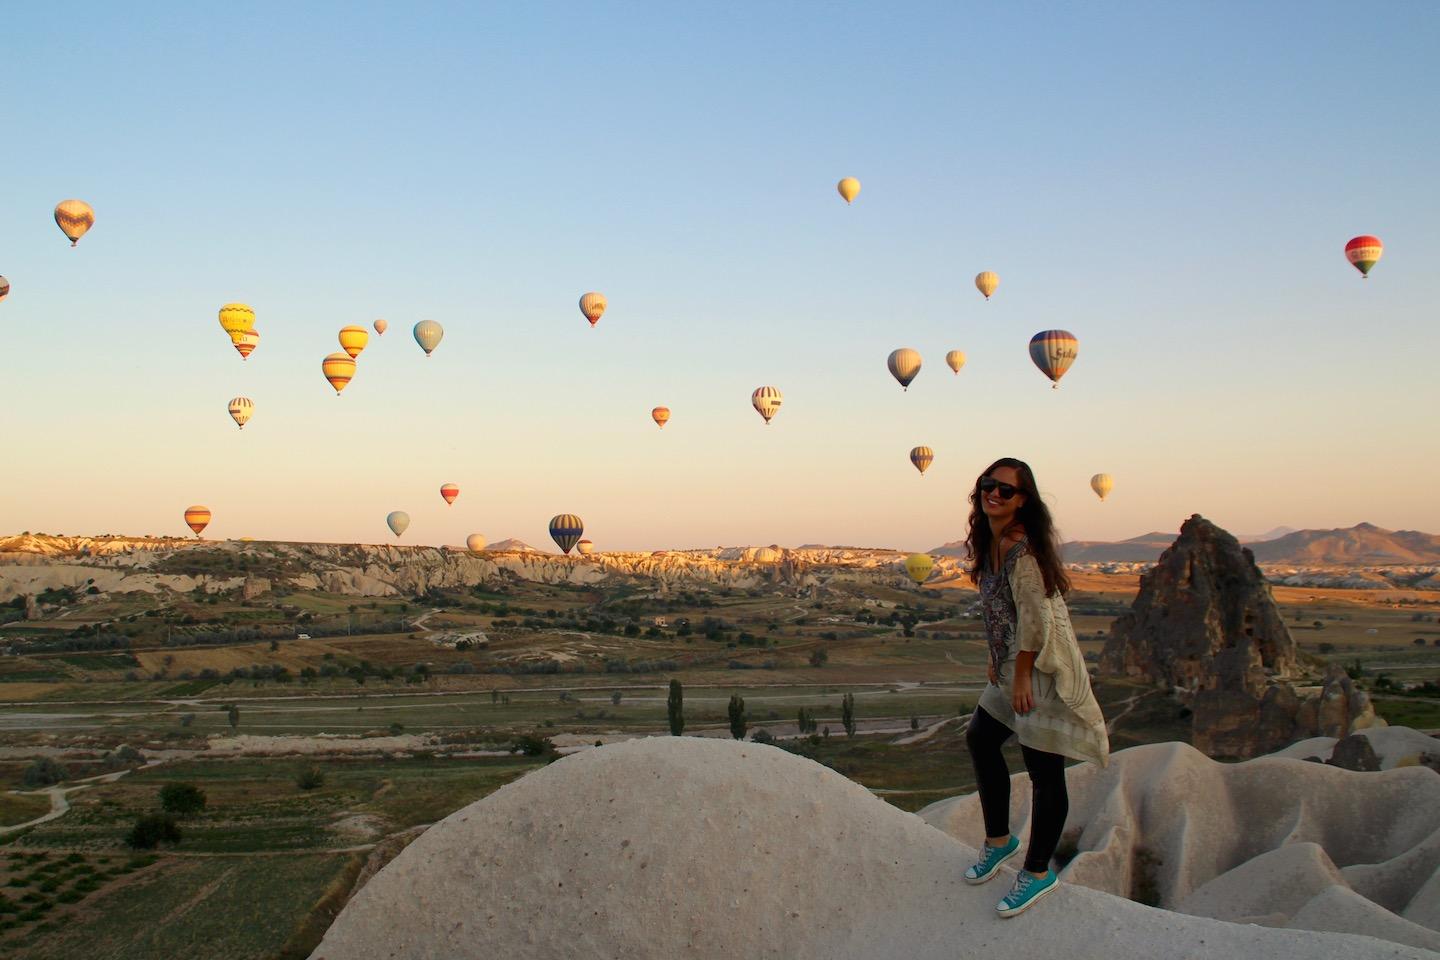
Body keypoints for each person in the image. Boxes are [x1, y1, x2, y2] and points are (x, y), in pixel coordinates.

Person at [962, 458, 1109, 917]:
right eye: (989, 485)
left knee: (1044, 771)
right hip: (1011, 661)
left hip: (1039, 665)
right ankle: (999, 841)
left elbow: (1035, 619)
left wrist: (1022, 672)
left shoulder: (1022, 550)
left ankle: (1039, 872)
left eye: (1006, 490)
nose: (995, 494)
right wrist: (995, 654)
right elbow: (999, 610)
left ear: (1023, 500)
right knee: (981, 739)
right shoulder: (990, 542)